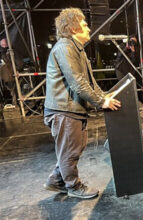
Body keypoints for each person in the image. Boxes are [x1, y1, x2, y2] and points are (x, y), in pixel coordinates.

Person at [43, 8, 121, 199]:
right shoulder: (65, 48)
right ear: (72, 28)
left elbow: (88, 81)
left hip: (71, 110)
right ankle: (73, 186)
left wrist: (103, 95)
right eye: (84, 24)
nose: (88, 27)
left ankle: (56, 180)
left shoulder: (77, 49)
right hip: (64, 110)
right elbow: (77, 82)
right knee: (70, 150)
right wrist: (101, 101)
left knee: (73, 147)